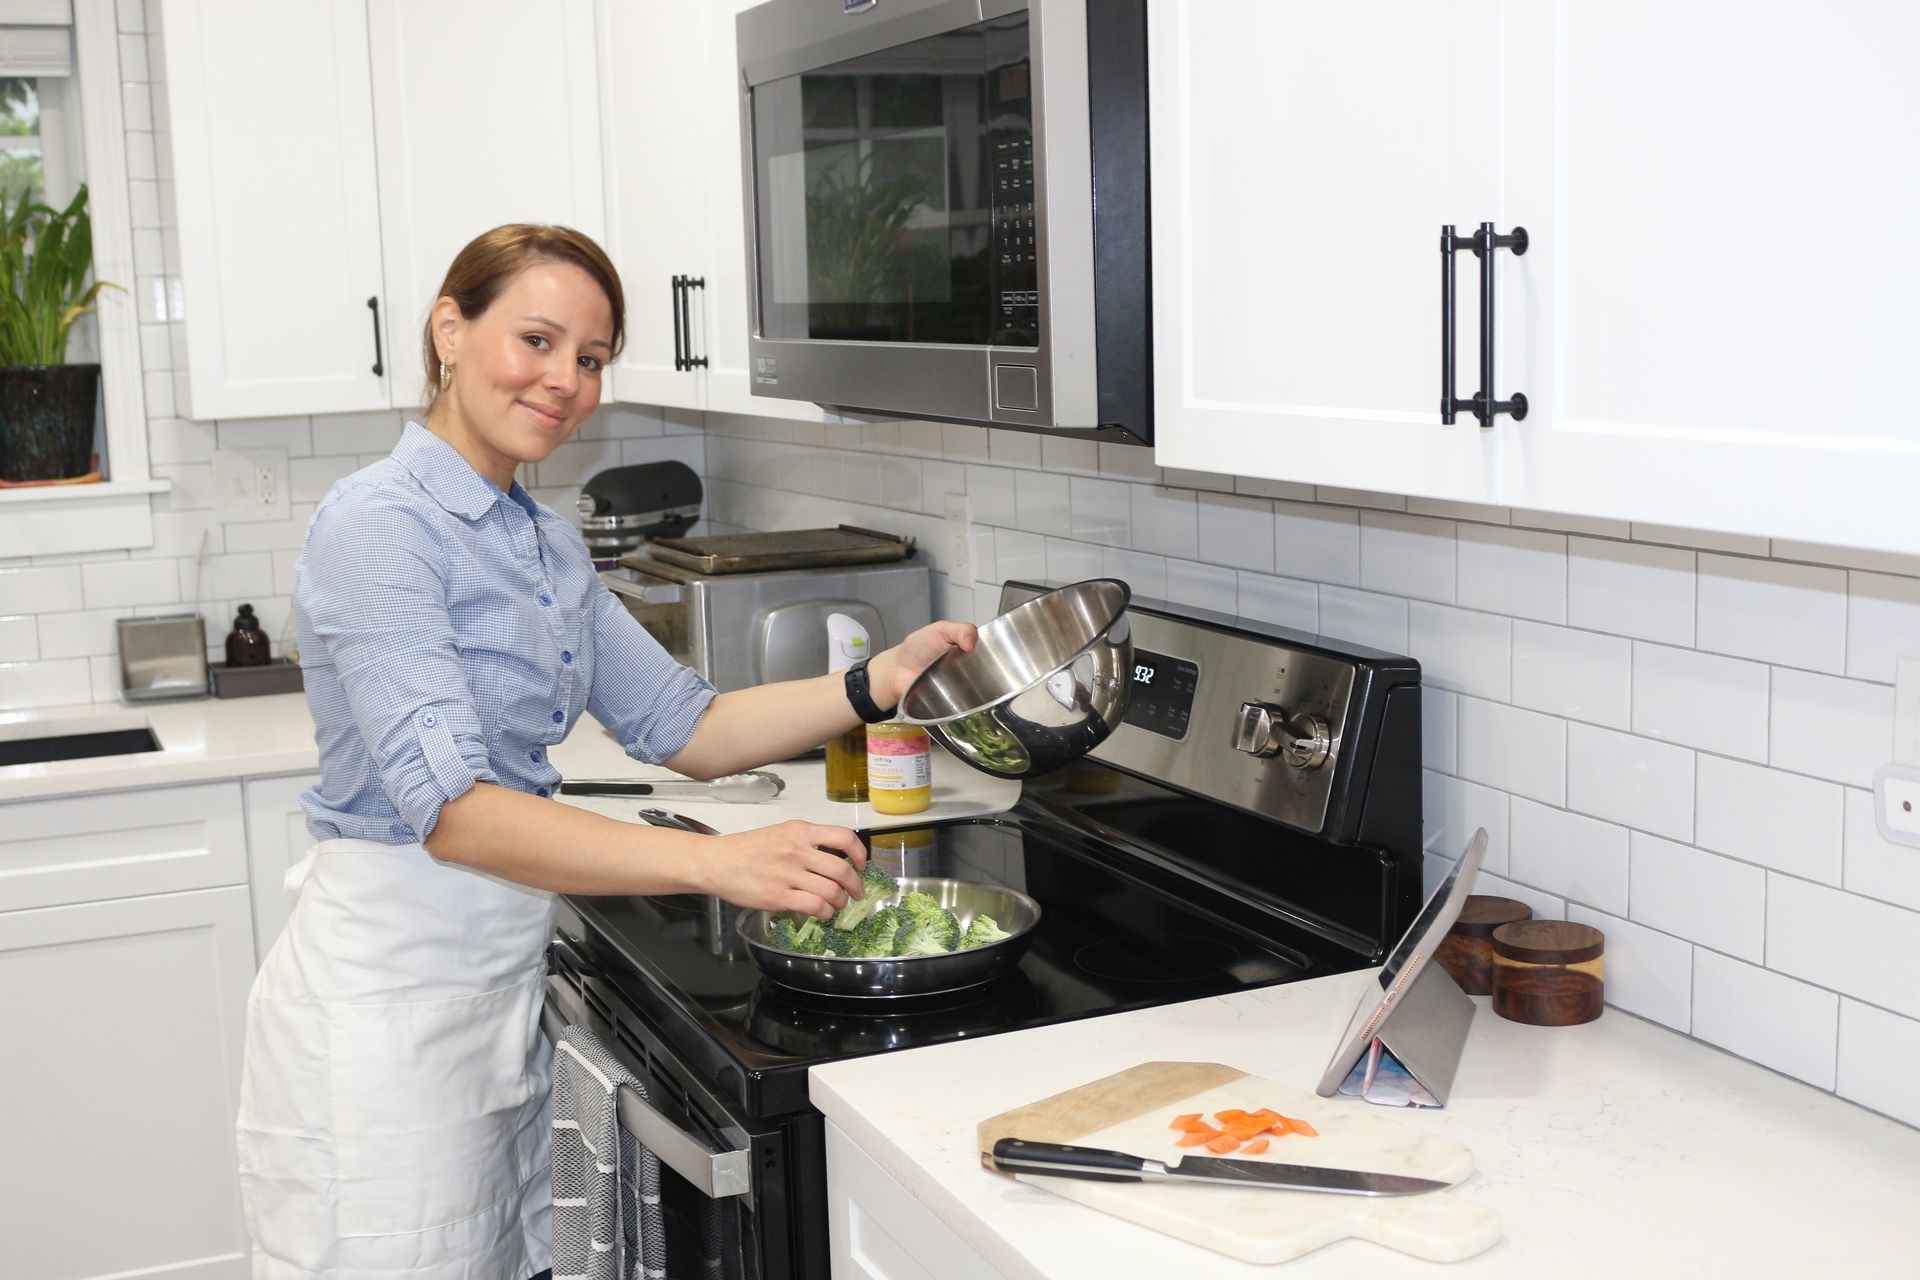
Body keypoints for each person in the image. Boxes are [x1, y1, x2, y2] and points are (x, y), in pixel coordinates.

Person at [234, 223, 975, 1279]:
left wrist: (878, 680)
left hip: (496, 997)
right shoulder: (378, 527)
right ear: (451, 327)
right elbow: (456, 811)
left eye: (589, 358)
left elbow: (690, 724)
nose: (564, 380)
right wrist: (717, 861)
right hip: (382, 1021)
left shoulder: (538, 539)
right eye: (536, 340)